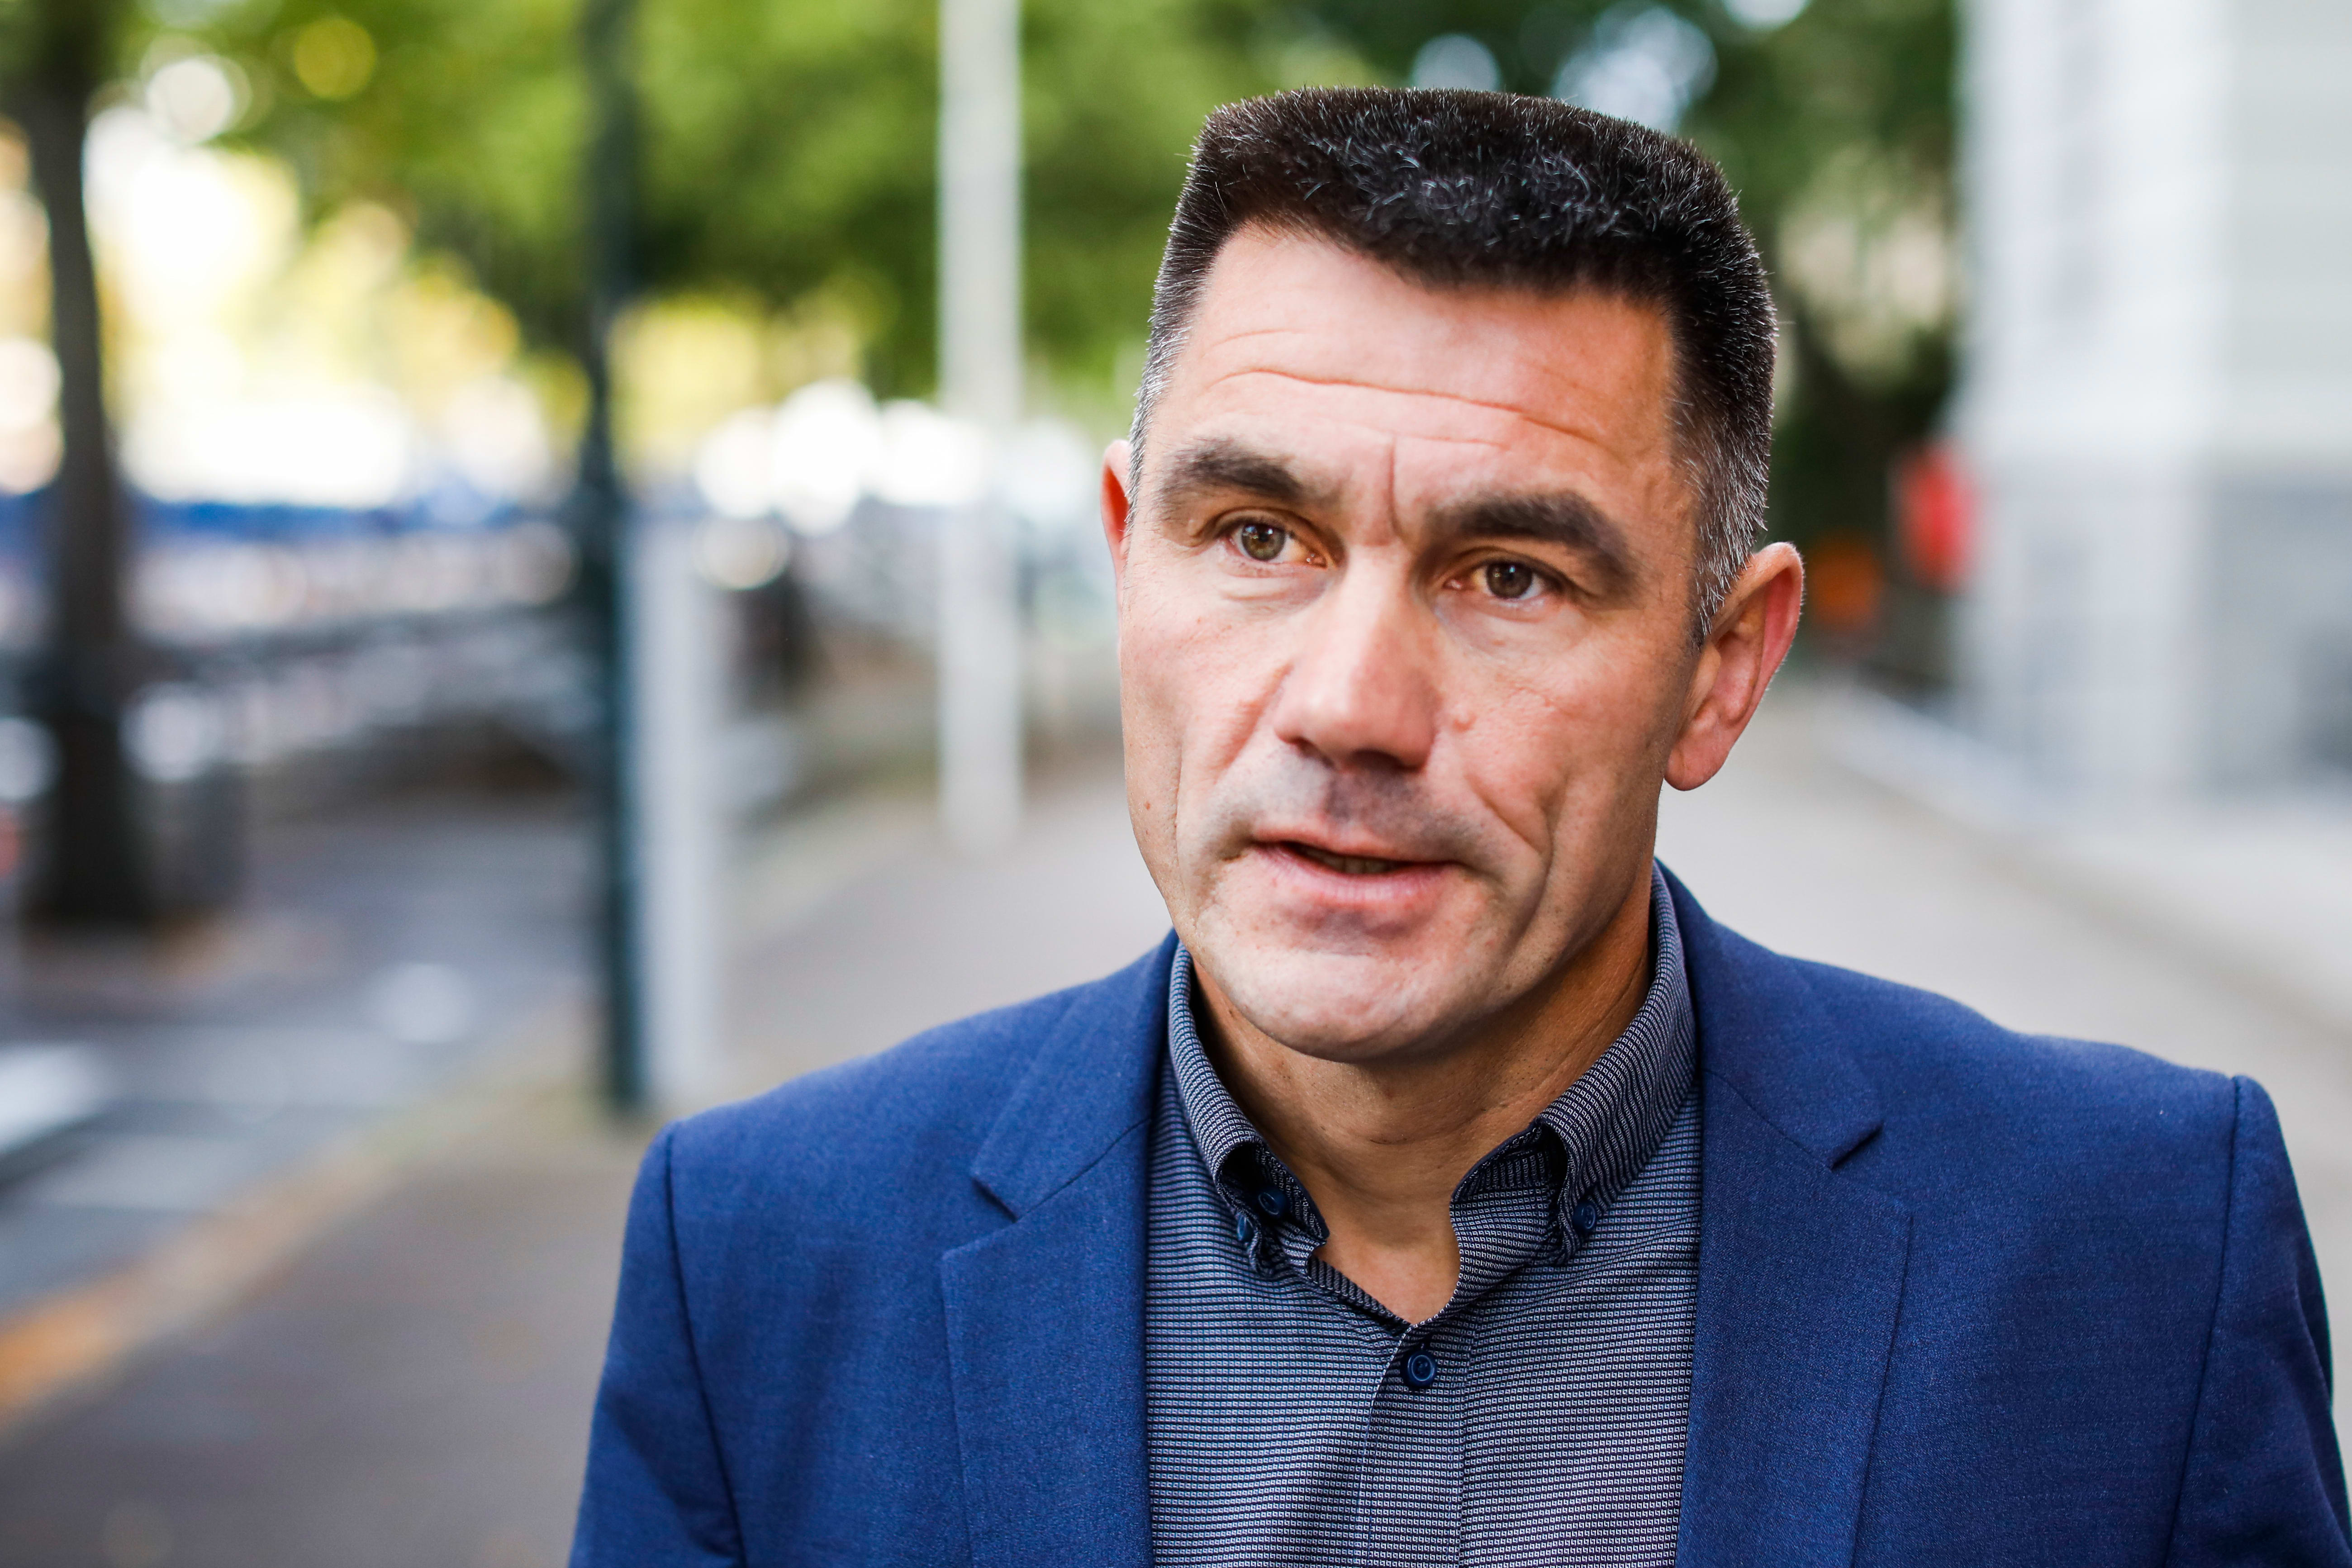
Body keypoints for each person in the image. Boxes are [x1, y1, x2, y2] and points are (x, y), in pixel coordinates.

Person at [570, 89, 2348, 1567]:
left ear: (1721, 671)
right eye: (1257, 537)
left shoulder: (2135, 1259)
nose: (1350, 705)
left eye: (1511, 575)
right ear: (1125, 562)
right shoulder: (765, 1266)